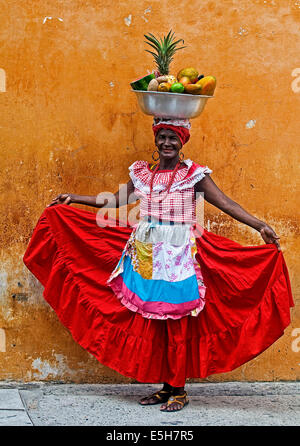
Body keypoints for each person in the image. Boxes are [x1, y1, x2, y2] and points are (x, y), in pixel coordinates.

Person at [23, 117, 294, 413]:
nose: (167, 143)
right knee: (155, 321)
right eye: (162, 137)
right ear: (156, 140)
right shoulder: (142, 173)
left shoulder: (194, 174)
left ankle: (179, 389)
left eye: (173, 138)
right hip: (146, 251)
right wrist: (74, 198)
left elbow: (226, 204)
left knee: (177, 321)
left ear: (182, 141)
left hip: (179, 254)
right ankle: (166, 387)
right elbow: (114, 200)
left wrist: (259, 225)